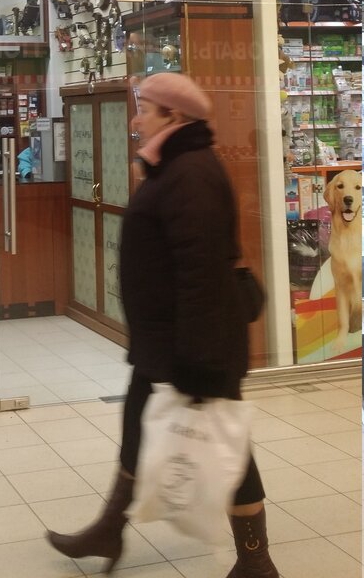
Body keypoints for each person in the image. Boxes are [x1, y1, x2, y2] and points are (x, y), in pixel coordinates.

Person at [46, 72, 277, 578]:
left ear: (173, 116)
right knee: (139, 427)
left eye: (145, 109)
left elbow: (200, 271)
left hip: (195, 343)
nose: (136, 119)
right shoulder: (175, 165)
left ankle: (256, 560)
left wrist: (196, 361)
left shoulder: (190, 172)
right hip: (171, 340)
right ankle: (110, 529)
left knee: (227, 446)